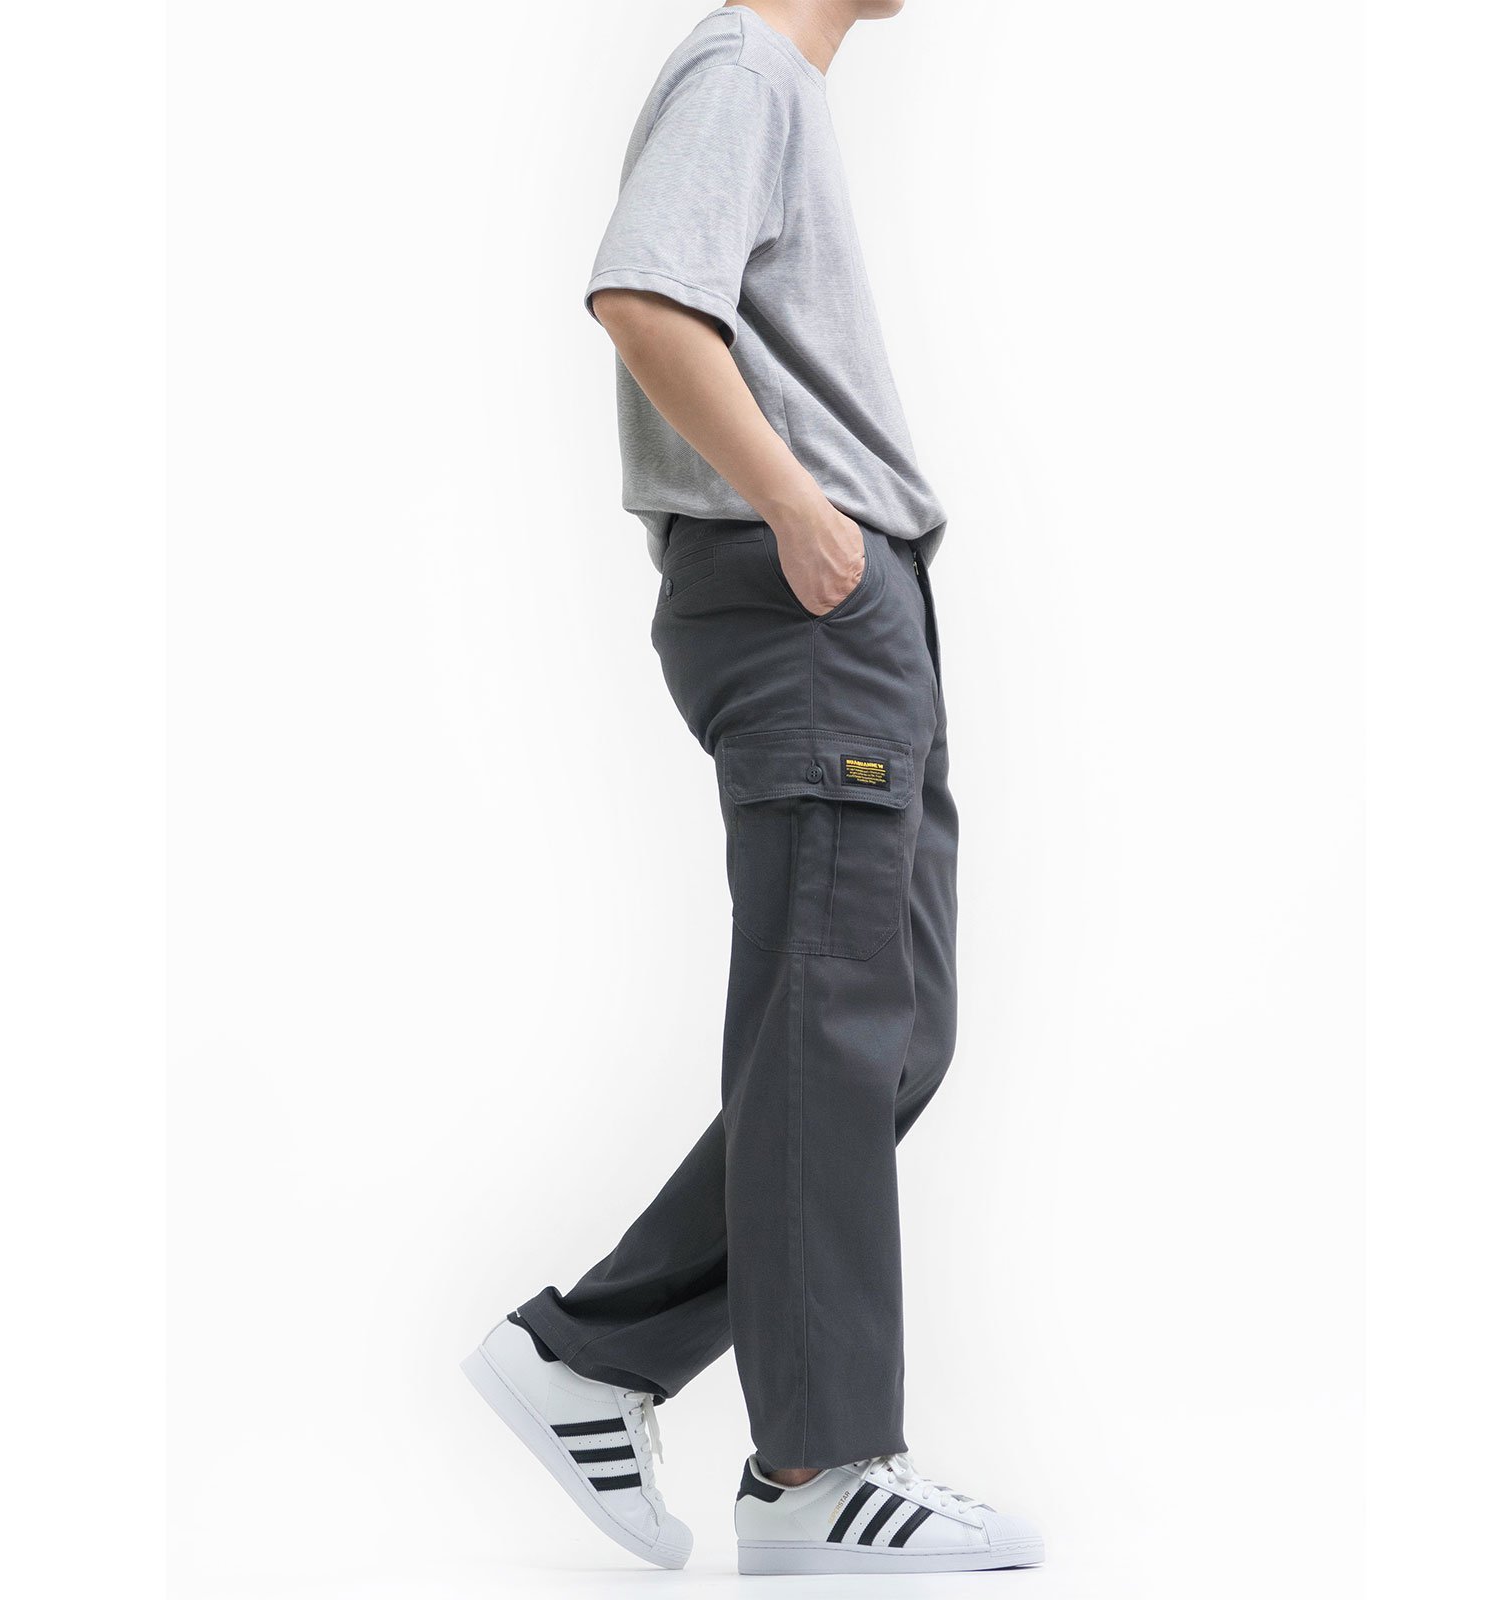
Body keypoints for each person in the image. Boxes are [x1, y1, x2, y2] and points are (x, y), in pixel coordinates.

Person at [462, 1, 1042, 1575]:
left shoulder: (779, 88)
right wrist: (796, 507)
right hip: (807, 598)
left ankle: (592, 1357)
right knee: (831, 1030)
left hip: (852, 602)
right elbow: (644, 295)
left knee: (884, 1037)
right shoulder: (743, 71)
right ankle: (818, 1468)